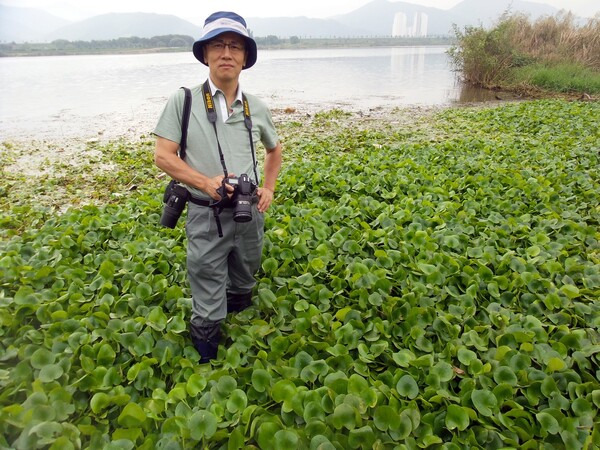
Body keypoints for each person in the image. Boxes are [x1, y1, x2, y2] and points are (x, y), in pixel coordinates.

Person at [153, 11, 282, 363]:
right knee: (207, 278)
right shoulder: (185, 101)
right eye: (219, 45)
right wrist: (203, 182)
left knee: (246, 271)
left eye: (235, 46)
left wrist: (268, 187)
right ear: (206, 54)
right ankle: (207, 350)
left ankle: (239, 311)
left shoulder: (257, 106)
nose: (227, 53)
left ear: (245, 57)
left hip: (249, 209)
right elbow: (164, 156)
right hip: (205, 212)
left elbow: (274, 150)